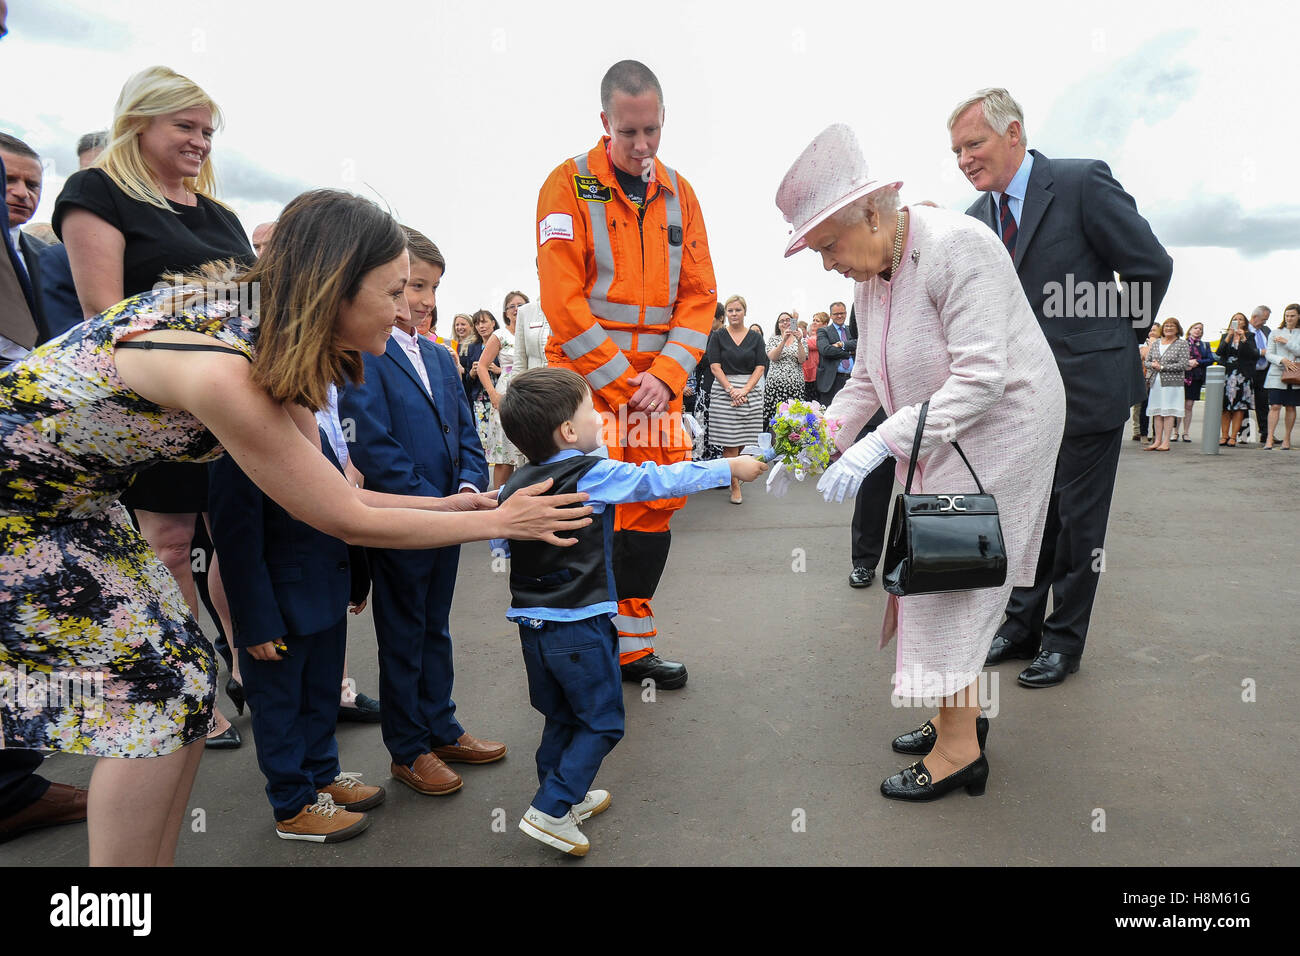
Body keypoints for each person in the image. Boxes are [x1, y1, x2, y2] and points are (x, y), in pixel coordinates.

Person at [0, 188, 593, 866]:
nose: (408, 311)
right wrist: (508, 519)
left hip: (76, 503)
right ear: (336, 286)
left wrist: (456, 506)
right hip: (18, 512)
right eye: (394, 290)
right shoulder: (224, 370)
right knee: (153, 702)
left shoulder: (270, 339)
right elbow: (344, 517)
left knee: (185, 687)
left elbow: (337, 490)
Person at [780, 123, 1065, 801]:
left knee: (951, 581)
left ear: (872, 212)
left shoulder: (957, 247)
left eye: (827, 246)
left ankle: (961, 751)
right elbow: (867, 379)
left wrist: (881, 443)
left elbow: (980, 380)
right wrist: (820, 435)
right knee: (939, 567)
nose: (826, 264)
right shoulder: (873, 275)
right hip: (944, 431)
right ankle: (952, 716)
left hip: (1003, 427)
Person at [53, 68, 255, 739]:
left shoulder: (222, 215)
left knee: (238, 537)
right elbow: (101, 318)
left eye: (207, 131)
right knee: (170, 547)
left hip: (230, 406)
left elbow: (254, 311)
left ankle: (252, 664)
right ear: (141, 121)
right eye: (186, 128)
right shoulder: (96, 192)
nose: (200, 142)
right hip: (152, 409)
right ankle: (188, 687)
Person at [951, 88, 1173, 689]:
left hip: (1088, 390)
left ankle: (1064, 640)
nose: (965, 159)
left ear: (1014, 133)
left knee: (1077, 523)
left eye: (975, 144)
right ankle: (1020, 628)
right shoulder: (975, 222)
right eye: (957, 151)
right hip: (1020, 402)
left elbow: (1151, 264)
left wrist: (1113, 336)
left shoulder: (1080, 184)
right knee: (1028, 518)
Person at [498, 367, 765, 855]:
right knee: (602, 721)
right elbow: (657, 480)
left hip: (533, 625)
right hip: (581, 625)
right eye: (588, 409)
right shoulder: (591, 473)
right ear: (568, 432)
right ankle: (552, 808)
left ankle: (563, 794)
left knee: (561, 716)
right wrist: (728, 469)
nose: (599, 415)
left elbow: (502, 546)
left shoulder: (514, 485)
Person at [536, 59, 717, 689]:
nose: (643, 145)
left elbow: (699, 297)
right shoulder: (567, 186)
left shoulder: (680, 193)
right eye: (630, 131)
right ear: (605, 123)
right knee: (585, 514)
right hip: (588, 389)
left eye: (653, 130)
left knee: (654, 506)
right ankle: (579, 650)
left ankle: (632, 648)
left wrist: (664, 378)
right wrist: (622, 384)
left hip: (655, 389)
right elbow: (563, 302)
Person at [339, 226, 508, 798]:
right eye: (413, 285)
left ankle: (442, 726)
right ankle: (407, 748)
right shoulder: (368, 353)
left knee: (434, 626)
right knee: (403, 632)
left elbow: (465, 428)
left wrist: (466, 481)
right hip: (406, 518)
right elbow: (371, 443)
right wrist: (432, 503)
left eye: (433, 287)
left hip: (449, 514)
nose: (425, 299)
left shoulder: (438, 356)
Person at [209, 420, 385, 842]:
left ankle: (323, 776)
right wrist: (253, 624)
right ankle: (293, 805)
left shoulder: (314, 428)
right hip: (275, 606)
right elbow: (235, 539)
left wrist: (356, 575)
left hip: (325, 586)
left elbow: (340, 506)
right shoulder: (238, 436)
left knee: (321, 694)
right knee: (280, 707)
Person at [705, 294, 768, 503]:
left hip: (750, 391)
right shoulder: (718, 336)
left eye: (737, 310)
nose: (734, 314)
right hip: (725, 391)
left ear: (744, 312)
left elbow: (760, 366)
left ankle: (735, 473)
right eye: (730, 310)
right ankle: (734, 486)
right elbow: (715, 366)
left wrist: (745, 390)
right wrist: (732, 390)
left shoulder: (756, 337)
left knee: (743, 443)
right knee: (729, 444)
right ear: (726, 314)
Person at [476, 295, 529, 488]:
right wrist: (493, 394)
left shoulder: (533, 332)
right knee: (503, 451)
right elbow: (482, 366)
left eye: (521, 305)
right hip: (504, 394)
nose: (516, 309)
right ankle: (497, 502)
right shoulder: (500, 335)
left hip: (529, 393)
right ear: (506, 312)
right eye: (511, 306)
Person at [1143, 317, 1189, 451]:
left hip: (1172, 383)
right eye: (1167, 325)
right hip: (1155, 382)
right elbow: (1147, 361)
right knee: (1157, 412)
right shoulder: (1156, 343)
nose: (1169, 328)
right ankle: (1157, 441)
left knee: (1168, 412)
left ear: (1177, 329)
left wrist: (1162, 367)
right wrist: (1152, 364)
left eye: (1172, 326)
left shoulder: (1182, 344)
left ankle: (1166, 442)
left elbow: (1183, 364)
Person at [1217, 313, 1258, 446]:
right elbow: (1219, 352)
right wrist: (1229, 336)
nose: (1238, 321)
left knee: (1239, 407)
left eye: (1241, 319)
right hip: (1226, 375)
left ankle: (1234, 436)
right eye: (1235, 319)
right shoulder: (1225, 336)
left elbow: (1252, 353)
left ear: (1245, 323)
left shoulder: (1250, 336)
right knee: (1225, 407)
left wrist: (1243, 338)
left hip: (1242, 376)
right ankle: (1224, 435)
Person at [1263, 303, 1300, 450]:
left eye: (1292, 316)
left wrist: (1287, 342)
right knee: (1275, 406)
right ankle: (1269, 439)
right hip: (1277, 374)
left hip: (1295, 375)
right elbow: (1269, 354)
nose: (1289, 318)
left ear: (1298, 316)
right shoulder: (1275, 332)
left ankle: (1287, 439)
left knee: (1291, 407)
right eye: (1287, 315)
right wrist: (1282, 360)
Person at [763, 311, 807, 429]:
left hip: (795, 386)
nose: (785, 323)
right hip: (775, 387)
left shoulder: (800, 340)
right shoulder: (774, 339)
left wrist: (798, 341)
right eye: (782, 321)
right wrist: (784, 340)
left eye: (788, 320)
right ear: (778, 325)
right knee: (774, 420)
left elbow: (802, 360)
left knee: (794, 420)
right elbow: (773, 357)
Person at [816, 302, 855, 405]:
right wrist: (850, 352)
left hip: (852, 380)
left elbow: (859, 343)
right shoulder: (823, 331)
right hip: (832, 381)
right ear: (831, 316)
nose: (839, 316)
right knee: (830, 418)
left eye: (842, 313)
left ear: (846, 313)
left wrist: (840, 344)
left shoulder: (852, 330)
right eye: (836, 314)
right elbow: (826, 350)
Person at [1181, 322, 1214, 442]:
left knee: (1189, 405)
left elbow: (1211, 359)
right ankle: (1175, 431)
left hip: (1196, 377)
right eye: (1195, 328)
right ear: (1190, 330)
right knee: (1179, 405)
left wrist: (1198, 362)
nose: (1198, 330)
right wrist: (1187, 363)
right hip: (1181, 376)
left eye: (1200, 329)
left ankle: (1185, 432)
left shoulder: (1205, 345)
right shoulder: (1181, 343)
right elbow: (1175, 358)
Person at [1247, 306, 1272, 441]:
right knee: (1243, 402)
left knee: (1263, 402)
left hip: (1263, 372)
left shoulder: (1266, 330)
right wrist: (1260, 352)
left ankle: (1266, 432)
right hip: (1248, 371)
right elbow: (1245, 350)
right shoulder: (1244, 330)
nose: (1265, 323)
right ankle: (1243, 434)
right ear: (1255, 317)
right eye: (1264, 319)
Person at [802, 312, 825, 401]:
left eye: (817, 321)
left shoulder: (821, 338)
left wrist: (793, 321)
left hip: (816, 378)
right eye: (813, 320)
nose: (814, 323)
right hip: (805, 377)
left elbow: (797, 341)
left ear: (825, 324)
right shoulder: (809, 338)